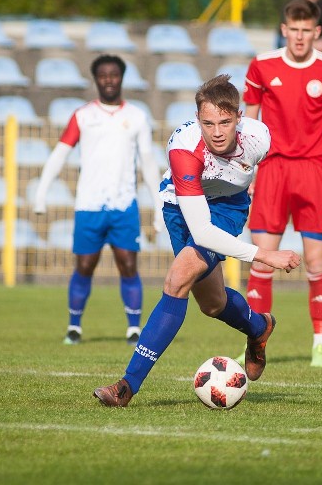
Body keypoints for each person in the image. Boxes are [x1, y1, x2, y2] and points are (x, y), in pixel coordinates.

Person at [93, 74, 301, 407]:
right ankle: (259, 326)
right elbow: (201, 230)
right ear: (197, 120)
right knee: (213, 304)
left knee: (177, 280)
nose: (217, 132)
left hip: (227, 208)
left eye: (225, 122)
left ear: (239, 118)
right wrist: (265, 255)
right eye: (208, 123)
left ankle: (126, 386)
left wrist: (255, 187)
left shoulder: (259, 137)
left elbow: (274, 167)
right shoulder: (184, 150)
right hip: (182, 207)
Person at [243, 0, 322, 368]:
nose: (299, 37)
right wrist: (245, 171)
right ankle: (253, 343)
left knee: (315, 263)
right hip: (272, 170)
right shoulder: (262, 66)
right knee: (261, 262)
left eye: (305, 31)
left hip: (313, 171)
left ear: (317, 32)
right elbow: (248, 121)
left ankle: (321, 345)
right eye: (292, 30)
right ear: (284, 30)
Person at [34, 54, 164, 346]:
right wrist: (41, 193)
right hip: (89, 205)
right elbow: (60, 153)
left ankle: (134, 328)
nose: (108, 80)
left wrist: (158, 206)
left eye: (114, 75)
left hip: (124, 204)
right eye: (103, 75)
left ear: (121, 78)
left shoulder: (137, 117)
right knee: (84, 266)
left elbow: (147, 162)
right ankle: (74, 326)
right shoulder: (83, 116)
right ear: (96, 79)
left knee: (128, 265)